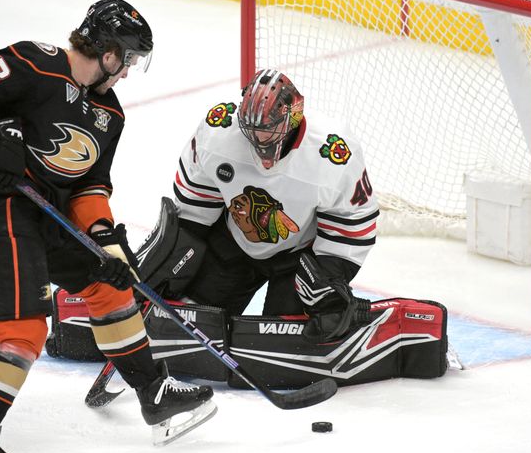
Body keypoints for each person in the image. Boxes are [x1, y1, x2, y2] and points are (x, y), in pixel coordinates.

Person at [0, 0, 216, 453]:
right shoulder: (37, 62)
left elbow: (90, 188)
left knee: (110, 288)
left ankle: (154, 393)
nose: (127, 72)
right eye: (126, 59)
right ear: (106, 51)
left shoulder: (110, 112)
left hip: (47, 213)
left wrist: (107, 244)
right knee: (23, 326)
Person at [138, 68, 379, 343]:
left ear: (294, 118)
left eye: (268, 130)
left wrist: (328, 278)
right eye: (251, 130)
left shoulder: (334, 154)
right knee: (194, 321)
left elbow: (353, 225)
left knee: (285, 339)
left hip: (299, 258)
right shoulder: (218, 131)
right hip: (234, 245)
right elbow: (194, 210)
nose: (259, 140)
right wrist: (170, 256)